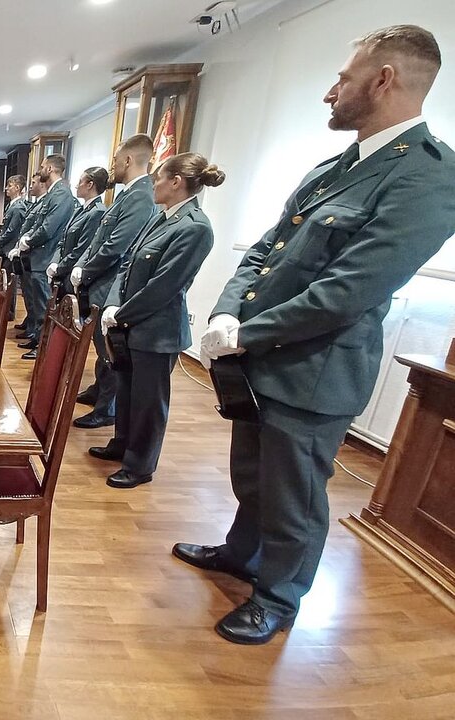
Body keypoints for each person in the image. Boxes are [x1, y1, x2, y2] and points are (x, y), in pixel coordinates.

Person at [178, 24, 455, 645]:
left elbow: (346, 293)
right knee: (254, 477)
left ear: (384, 80)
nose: (331, 92)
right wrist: (227, 312)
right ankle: (241, 555)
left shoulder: (430, 177)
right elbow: (267, 250)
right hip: (258, 356)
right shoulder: (340, 165)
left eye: (343, 78)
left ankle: (277, 597)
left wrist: (248, 334)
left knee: (294, 497)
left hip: (314, 370)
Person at [95, 153, 224, 489]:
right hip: (129, 325)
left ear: (176, 182)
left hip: (157, 331)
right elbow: (126, 266)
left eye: (158, 179)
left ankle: (140, 465)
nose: (154, 184)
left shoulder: (195, 227)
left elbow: (164, 287)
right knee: (127, 391)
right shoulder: (162, 218)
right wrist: (112, 305)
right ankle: (122, 444)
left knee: (149, 402)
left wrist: (121, 314)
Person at [70, 134, 158, 429]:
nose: (114, 167)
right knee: (99, 344)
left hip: (111, 283)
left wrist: (87, 270)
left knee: (108, 349)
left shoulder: (142, 196)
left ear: (129, 160)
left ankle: (107, 408)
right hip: (100, 280)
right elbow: (99, 239)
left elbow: (117, 246)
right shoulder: (128, 194)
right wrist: (82, 265)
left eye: (117, 160)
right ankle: (99, 392)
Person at [11, 157, 73, 361]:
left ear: (50, 168)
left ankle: (42, 346)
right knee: (37, 306)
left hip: (44, 259)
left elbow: (48, 228)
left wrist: (28, 241)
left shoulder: (62, 194)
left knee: (43, 307)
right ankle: (36, 337)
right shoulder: (52, 194)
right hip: (36, 259)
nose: (40, 170)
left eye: (42, 166)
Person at [49, 166, 110, 297]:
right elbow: (63, 240)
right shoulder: (80, 210)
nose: (77, 185)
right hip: (62, 273)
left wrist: (59, 268)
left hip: (72, 276)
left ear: (90, 185)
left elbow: (82, 249)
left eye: (80, 181)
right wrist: (54, 262)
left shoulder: (97, 212)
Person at [10, 173, 47, 334]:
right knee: (28, 294)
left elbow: (43, 230)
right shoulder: (35, 204)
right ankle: (31, 324)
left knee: (36, 299)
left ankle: (36, 334)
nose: (30, 186)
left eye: (34, 182)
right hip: (27, 257)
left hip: (37, 258)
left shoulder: (46, 204)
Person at [0, 175, 28, 321]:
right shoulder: (12, 205)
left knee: (9, 283)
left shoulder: (19, 207)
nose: (6, 188)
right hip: (6, 250)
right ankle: (6, 309)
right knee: (6, 281)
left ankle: (9, 312)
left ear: (18, 188)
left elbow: (11, 231)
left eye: (10, 185)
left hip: (10, 251)